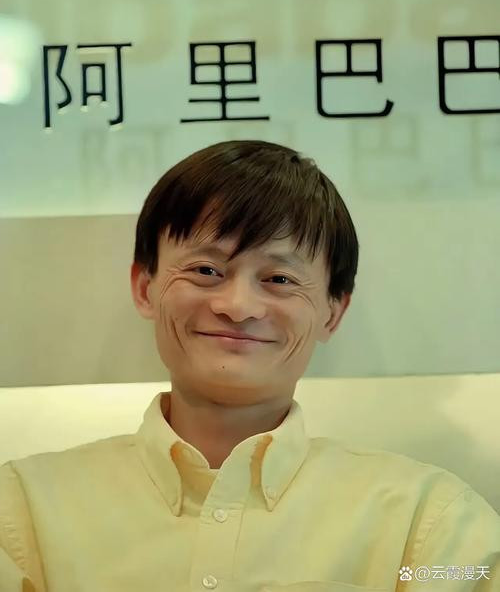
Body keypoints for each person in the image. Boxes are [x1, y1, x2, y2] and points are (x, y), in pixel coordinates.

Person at [0, 139, 499, 592]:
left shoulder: (428, 525)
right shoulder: (22, 514)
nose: (238, 307)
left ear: (333, 311)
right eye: (206, 270)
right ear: (144, 287)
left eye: (279, 279)